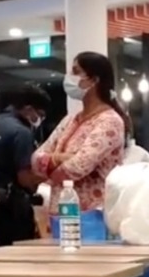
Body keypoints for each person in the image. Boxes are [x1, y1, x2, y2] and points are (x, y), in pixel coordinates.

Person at [31, 52, 127, 215]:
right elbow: (35, 160)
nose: (69, 77)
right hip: (60, 214)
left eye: (76, 71)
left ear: (94, 80)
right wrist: (61, 158)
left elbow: (76, 167)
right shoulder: (70, 120)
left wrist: (50, 163)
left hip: (92, 216)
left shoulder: (110, 121)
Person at [0, 84, 50, 243]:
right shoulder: (22, 132)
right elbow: (24, 177)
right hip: (12, 207)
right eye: (40, 114)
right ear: (29, 109)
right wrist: (47, 179)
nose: (40, 120)